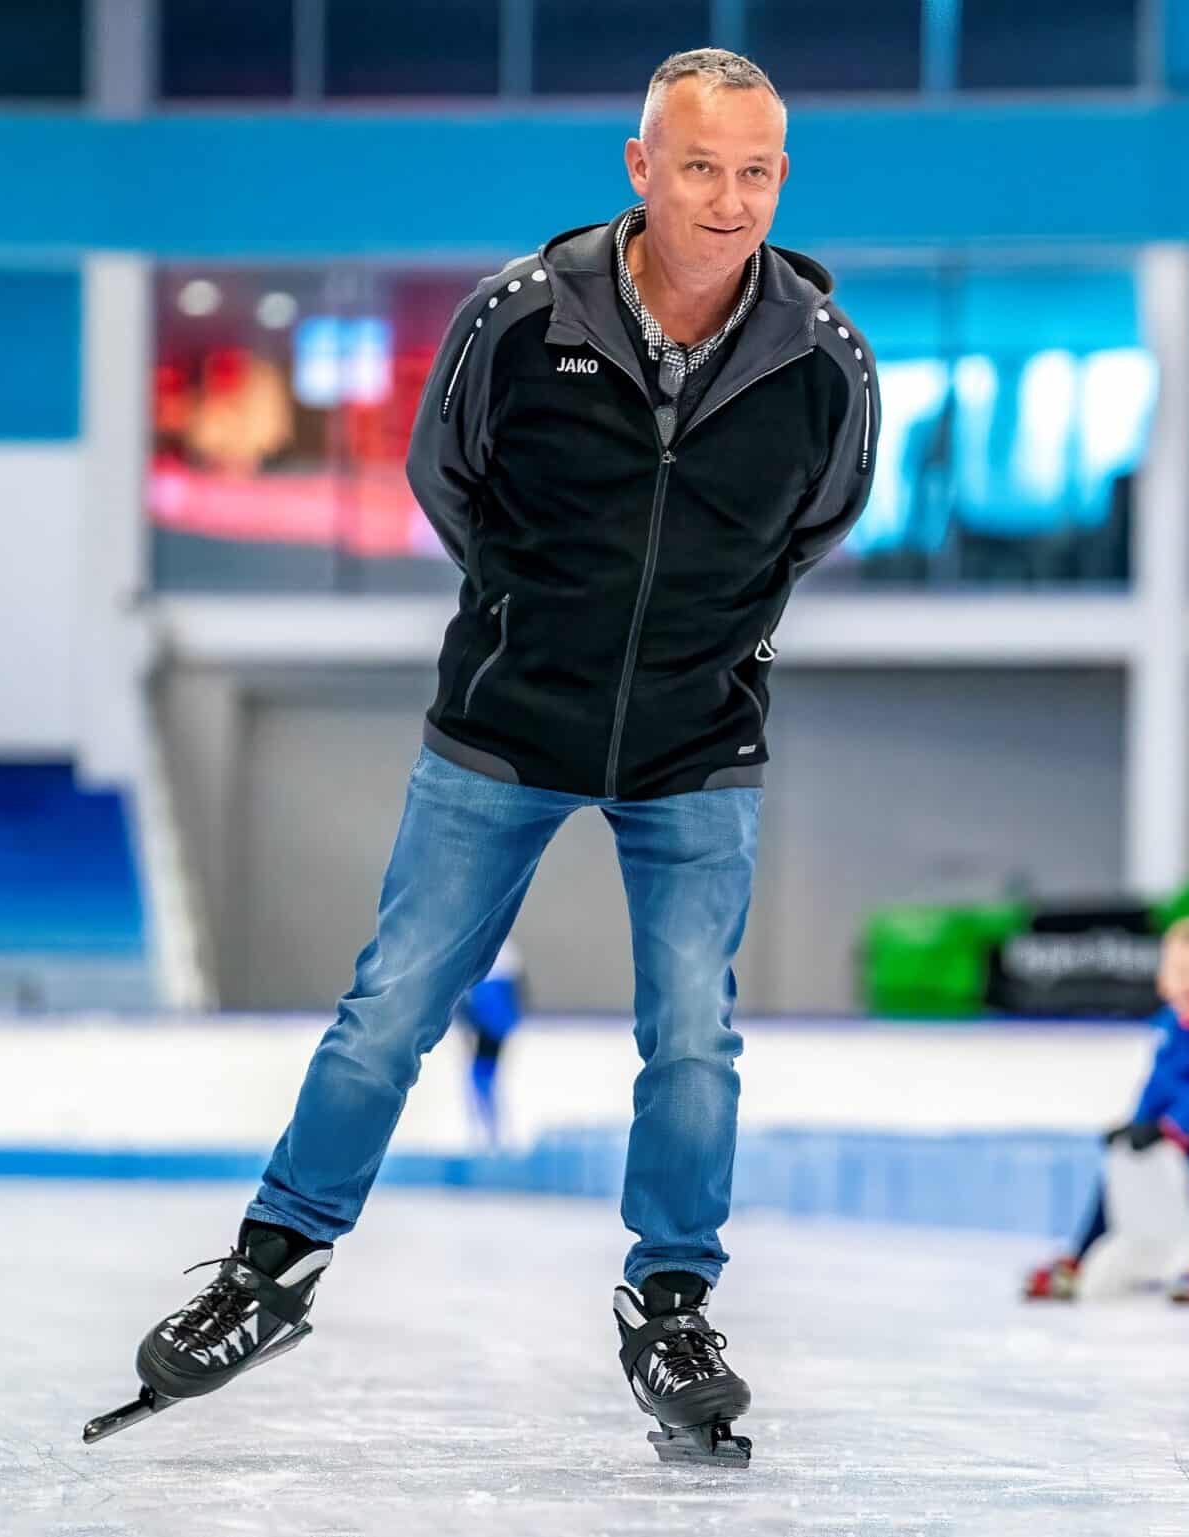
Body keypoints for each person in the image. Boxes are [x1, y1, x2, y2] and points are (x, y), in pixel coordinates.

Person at [100, 50, 875, 1468]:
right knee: (390, 1006)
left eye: (757, 170)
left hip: (701, 741)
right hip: (505, 727)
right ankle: (272, 1269)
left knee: (694, 1033)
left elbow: (816, 524)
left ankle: (672, 1300)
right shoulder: (519, 321)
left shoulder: (823, 356)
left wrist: (699, 642)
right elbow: (444, 482)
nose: (730, 196)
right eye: (700, 165)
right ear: (640, 168)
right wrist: (539, 618)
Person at [1022, 917, 1189, 1305]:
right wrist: (1135, 1126)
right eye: (1182, 972)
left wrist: (1170, 1127)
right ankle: (1077, 1259)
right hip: (1172, 1135)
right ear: (1163, 978)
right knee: (1117, 1177)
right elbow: (1156, 1087)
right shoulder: (1170, 1028)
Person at [453, 938, 525, 1148]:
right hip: (491, 1019)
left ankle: (491, 1133)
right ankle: (490, 1133)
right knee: (483, 1078)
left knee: (482, 1077)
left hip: (491, 1020)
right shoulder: (502, 953)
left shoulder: (498, 953)